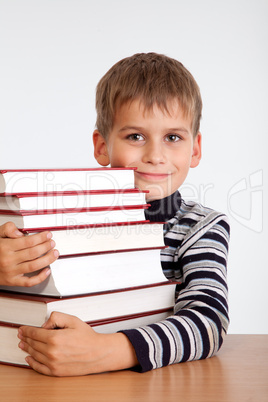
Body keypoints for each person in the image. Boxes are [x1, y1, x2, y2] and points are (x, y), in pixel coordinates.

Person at [0, 52, 230, 376]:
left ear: (195, 149)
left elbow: (208, 323)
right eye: (135, 136)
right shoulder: (61, 218)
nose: (155, 156)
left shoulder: (200, 228)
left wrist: (106, 352)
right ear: (102, 146)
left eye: (173, 137)